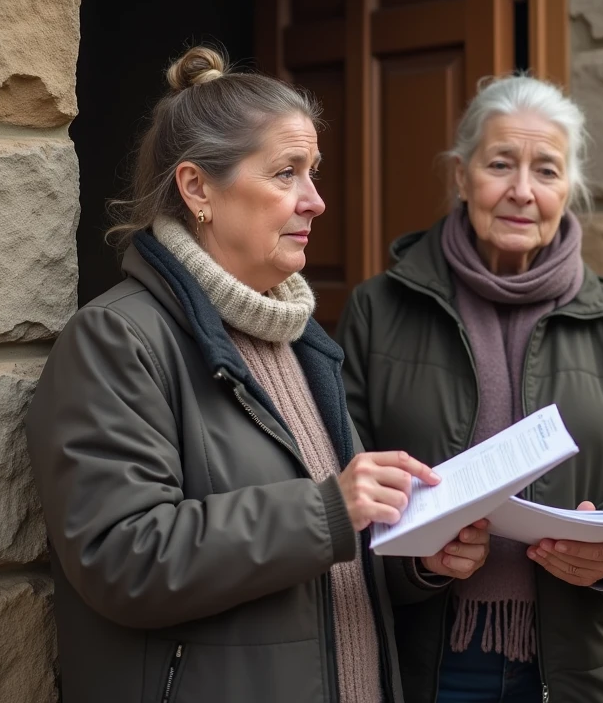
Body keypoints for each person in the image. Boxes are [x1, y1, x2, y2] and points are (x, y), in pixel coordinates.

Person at [25, 46, 487, 703]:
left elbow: (321, 565)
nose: (316, 201)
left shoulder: (301, 341)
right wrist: (329, 508)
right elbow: (122, 557)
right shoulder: (117, 340)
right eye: (285, 173)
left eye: (313, 173)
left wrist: (415, 559)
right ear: (197, 189)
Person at [337, 75, 603, 703]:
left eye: (546, 170)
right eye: (500, 164)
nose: (522, 190)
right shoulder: (379, 309)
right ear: (462, 176)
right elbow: (342, 488)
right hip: (424, 663)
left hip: (575, 668)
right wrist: (418, 559)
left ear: (568, 189)